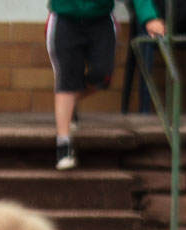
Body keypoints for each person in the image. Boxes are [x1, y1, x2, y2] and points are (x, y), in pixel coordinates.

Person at [47, 0, 164, 169]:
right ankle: (63, 145)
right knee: (67, 80)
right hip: (65, 19)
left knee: (103, 77)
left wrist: (149, 18)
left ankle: (68, 107)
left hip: (101, 21)